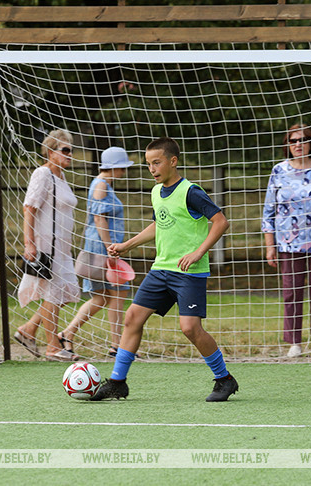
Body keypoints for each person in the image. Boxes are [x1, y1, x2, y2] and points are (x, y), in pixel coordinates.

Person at [92, 137, 237, 402]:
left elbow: (220, 221)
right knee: (132, 317)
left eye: (156, 162)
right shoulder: (156, 192)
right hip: (161, 269)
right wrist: (127, 245)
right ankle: (117, 382)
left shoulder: (191, 191)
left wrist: (198, 252)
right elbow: (159, 224)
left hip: (189, 272)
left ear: (173, 161)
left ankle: (224, 379)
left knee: (190, 328)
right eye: (148, 164)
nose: (152, 169)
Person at [262, 124, 311, 359]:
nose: (298, 144)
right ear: (288, 144)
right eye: (293, 140)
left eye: (303, 139)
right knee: (291, 293)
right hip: (288, 242)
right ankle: (294, 342)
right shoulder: (278, 170)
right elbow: (269, 211)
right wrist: (269, 246)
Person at [59, 146, 133, 359]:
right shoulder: (101, 185)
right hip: (102, 248)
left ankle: (68, 334)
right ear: (114, 167)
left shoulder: (102, 184)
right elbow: (100, 219)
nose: (124, 172)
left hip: (100, 247)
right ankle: (116, 346)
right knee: (118, 292)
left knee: (101, 297)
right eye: (122, 168)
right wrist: (111, 248)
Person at [13, 129, 80, 361]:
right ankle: (53, 347)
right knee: (53, 294)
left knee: (58, 293)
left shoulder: (61, 177)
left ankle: (28, 330)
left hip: (62, 248)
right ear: (51, 151)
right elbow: (29, 208)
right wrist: (29, 243)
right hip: (46, 246)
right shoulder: (42, 174)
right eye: (65, 150)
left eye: (71, 150)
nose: (70, 154)